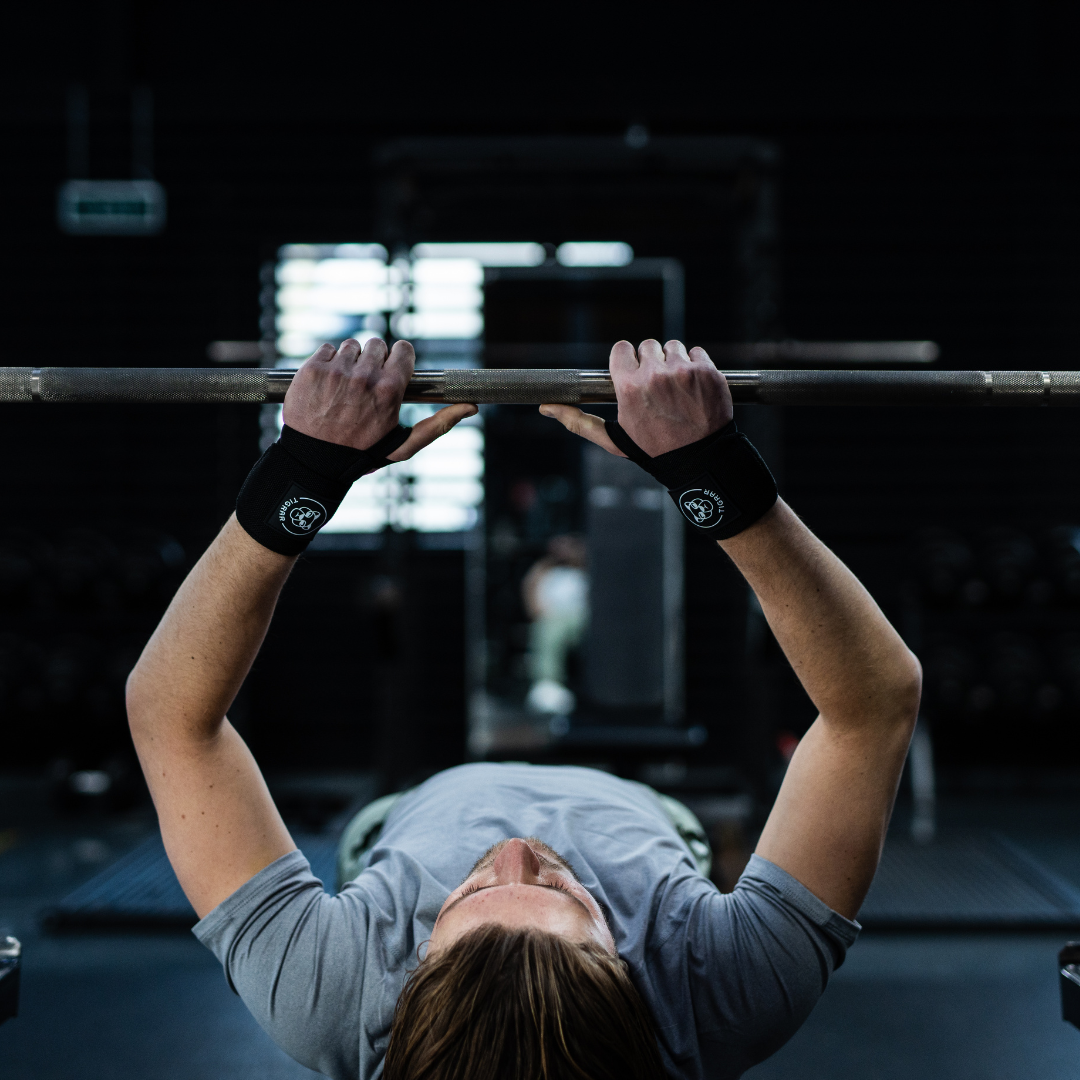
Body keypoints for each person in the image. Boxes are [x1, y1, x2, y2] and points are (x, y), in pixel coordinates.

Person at [126, 335, 922, 1080]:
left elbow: (172, 716)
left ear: (414, 975)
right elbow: (872, 707)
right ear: (627, 975)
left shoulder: (330, 997)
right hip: (647, 814)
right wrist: (714, 476)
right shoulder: (725, 996)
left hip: (406, 815)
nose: (515, 850)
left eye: (467, 899)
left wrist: (300, 473)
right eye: (562, 896)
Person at [521, 533, 588, 716]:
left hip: (581, 620)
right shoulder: (543, 570)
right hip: (552, 619)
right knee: (548, 629)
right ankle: (547, 684)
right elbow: (531, 595)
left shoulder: (585, 569)